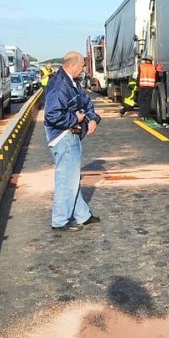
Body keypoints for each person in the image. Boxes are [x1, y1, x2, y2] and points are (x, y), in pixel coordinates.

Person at [43, 51, 102, 231]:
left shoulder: (72, 82)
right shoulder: (60, 85)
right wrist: (75, 119)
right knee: (66, 180)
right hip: (64, 136)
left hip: (71, 135)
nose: (84, 68)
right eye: (83, 65)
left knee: (71, 178)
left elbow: (85, 102)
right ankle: (60, 220)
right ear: (73, 65)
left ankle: (82, 215)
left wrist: (93, 118)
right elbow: (52, 115)